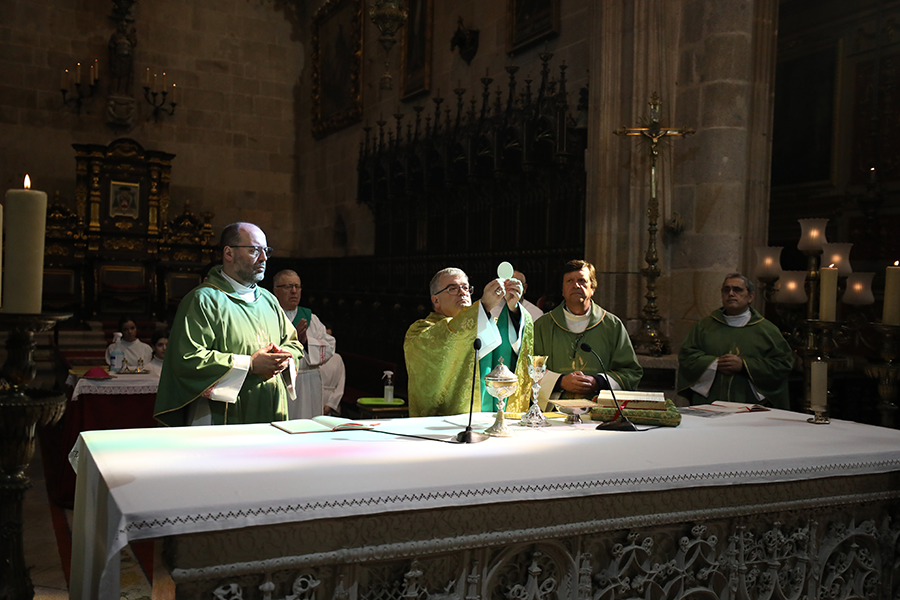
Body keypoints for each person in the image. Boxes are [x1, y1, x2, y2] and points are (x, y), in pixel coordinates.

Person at [154, 222, 304, 426]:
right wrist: (249, 364)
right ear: (229, 253)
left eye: (266, 251)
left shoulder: (269, 300)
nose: (264, 258)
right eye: (254, 250)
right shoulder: (203, 300)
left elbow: (293, 343)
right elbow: (187, 359)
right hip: (220, 415)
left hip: (270, 407)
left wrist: (284, 359)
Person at [404, 267, 534, 417]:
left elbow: (511, 349)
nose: (462, 292)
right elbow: (447, 337)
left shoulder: (488, 324)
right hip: (445, 422)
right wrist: (483, 306)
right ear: (436, 300)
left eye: (465, 287)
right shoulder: (420, 331)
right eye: (453, 288)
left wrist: (513, 310)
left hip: (491, 419)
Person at [533, 260, 642, 408]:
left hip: (600, 410)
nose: (576, 285)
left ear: (592, 288)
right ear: (562, 290)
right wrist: (560, 381)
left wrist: (598, 382)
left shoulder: (612, 325)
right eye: (569, 281)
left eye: (582, 281)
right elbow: (528, 369)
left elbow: (630, 372)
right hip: (554, 411)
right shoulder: (543, 326)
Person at [676, 273, 794, 409]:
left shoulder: (767, 330)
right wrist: (714, 364)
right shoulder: (704, 327)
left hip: (749, 403)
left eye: (737, 289)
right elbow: (687, 357)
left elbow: (782, 364)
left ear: (750, 297)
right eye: (726, 290)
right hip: (709, 403)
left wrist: (744, 365)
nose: (731, 294)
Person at [272, 269, 345, 418]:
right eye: (288, 286)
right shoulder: (270, 317)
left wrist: (306, 342)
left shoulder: (311, 318)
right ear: (276, 291)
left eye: (297, 286)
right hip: (279, 381)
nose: (294, 291)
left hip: (308, 383)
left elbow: (330, 347)